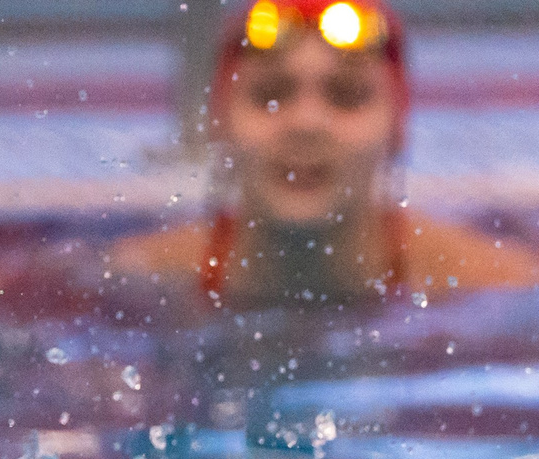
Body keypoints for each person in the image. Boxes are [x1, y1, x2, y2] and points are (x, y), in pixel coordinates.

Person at [109, 0, 539, 307]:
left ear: (396, 129)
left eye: (347, 96)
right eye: (270, 95)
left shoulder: (499, 285)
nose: (306, 124)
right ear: (220, 125)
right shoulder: (137, 278)